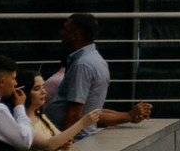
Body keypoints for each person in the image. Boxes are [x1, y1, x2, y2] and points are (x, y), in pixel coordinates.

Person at [46, 12, 152, 140]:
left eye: (65, 29)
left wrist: (60, 143)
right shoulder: (95, 60)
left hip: (73, 141)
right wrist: (128, 116)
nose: (61, 33)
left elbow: (74, 114)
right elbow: (93, 111)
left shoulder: (82, 65)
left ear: (76, 35)